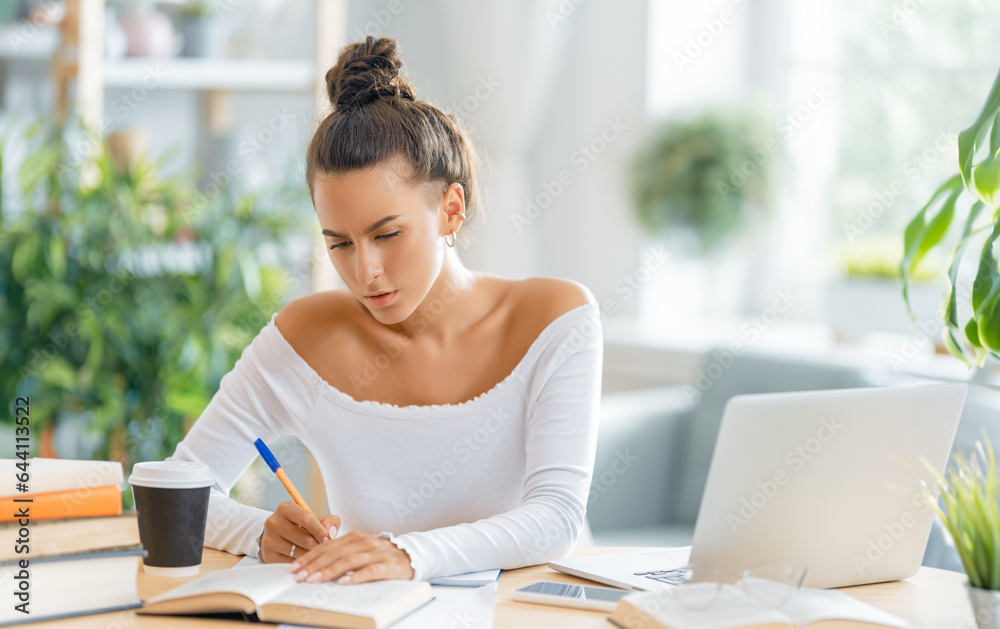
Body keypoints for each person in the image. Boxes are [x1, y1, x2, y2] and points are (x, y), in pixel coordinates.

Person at [166, 36, 602, 585]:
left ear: (450, 209)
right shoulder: (305, 336)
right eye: (339, 243)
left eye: (387, 234)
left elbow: (556, 516)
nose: (364, 270)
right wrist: (257, 533)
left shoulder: (555, 318)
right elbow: (182, 482)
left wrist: (408, 555)